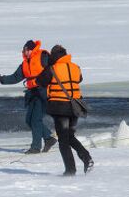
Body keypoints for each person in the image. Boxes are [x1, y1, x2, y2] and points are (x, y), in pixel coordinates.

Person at [0, 40, 57, 154]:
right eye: (24, 50)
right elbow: (15, 77)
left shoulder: (43, 57)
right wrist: (0, 78)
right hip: (32, 93)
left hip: (44, 92)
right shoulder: (25, 63)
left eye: (26, 50)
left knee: (36, 119)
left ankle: (36, 147)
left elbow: (54, 71)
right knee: (29, 120)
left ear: (31, 49)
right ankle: (48, 138)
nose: (24, 52)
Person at [37, 45, 94, 176]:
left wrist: (49, 65)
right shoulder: (76, 67)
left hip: (60, 108)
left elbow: (40, 81)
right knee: (69, 136)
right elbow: (79, 79)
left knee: (63, 140)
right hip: (75, 107)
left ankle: (70, 170)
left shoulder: (52, 68)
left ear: (54, 56)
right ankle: (86, 157)